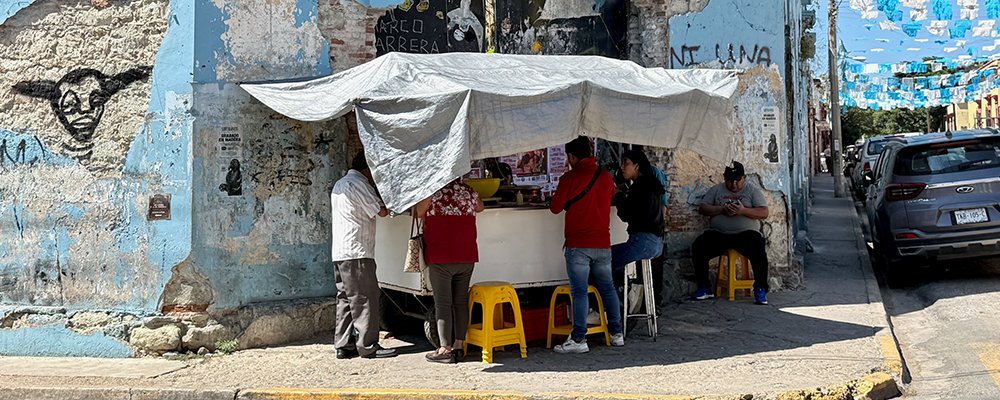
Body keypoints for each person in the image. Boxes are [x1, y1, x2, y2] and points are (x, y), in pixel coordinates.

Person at [549, 136, 624, 353]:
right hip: (603, 242)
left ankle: (579, 339)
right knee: (608, 288)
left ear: (572, 156)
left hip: (578, 244)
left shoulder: (569, 178)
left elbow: (555, 208)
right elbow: (610, 198)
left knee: (580, 292)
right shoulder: (606, 177)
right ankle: (617, 334)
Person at [330, 151, 397, 359]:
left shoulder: (340, 184)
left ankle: (343, 344)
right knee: (365, 298)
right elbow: (380, 211)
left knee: (345, 299)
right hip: (357, 250)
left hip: (340, 252)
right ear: (366, 170)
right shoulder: (360, 184)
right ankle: (368, 346)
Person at [414, 178, 485, 364]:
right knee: (461, 301)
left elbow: (418, 212)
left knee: (443, 303)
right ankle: (459, 345)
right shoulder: (468, 190)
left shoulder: (431, 192)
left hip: (441, 257)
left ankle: (445, 348)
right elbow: (480, 207)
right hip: (467, 256)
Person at [690, 161, 771, 305]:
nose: (733, 184)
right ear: (724, 178)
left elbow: (764, 212)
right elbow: (703, 208)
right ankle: (704, 287)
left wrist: (743, 211)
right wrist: (721, 209)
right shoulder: (716, 190)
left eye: (737, 180)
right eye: (729, 180)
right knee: (699, 245)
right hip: (720, 234)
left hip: (745, 234)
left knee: (758, 246)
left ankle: (760, 288)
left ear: (744, 178)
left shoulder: (752, 191)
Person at [611, 149, 665, 293]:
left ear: (637, 166)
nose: (622, 167)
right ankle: (622, 293)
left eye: (626, 163)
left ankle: (615, 303)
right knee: (613, 260)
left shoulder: (640, 186)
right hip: (657, 244)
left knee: (604, 260)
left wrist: (619, 196)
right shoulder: (651, 183)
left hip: (642, 242)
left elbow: (626, 214)